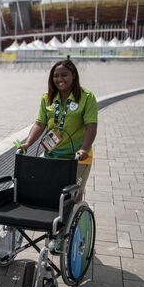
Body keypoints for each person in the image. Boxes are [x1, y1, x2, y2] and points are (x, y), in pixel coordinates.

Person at [20, 59, 98, 203]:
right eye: (56, 76)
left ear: (73, 75)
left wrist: (84, 149)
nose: (60, 79)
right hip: (52, 154)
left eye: (64, 75)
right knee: (50, 191)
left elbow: (91, 126)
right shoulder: (47, 97)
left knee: (73, 197)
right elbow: (40, 123)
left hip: (77, 157)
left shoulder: (87, 97)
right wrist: (28, 143)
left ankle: (73, 223)